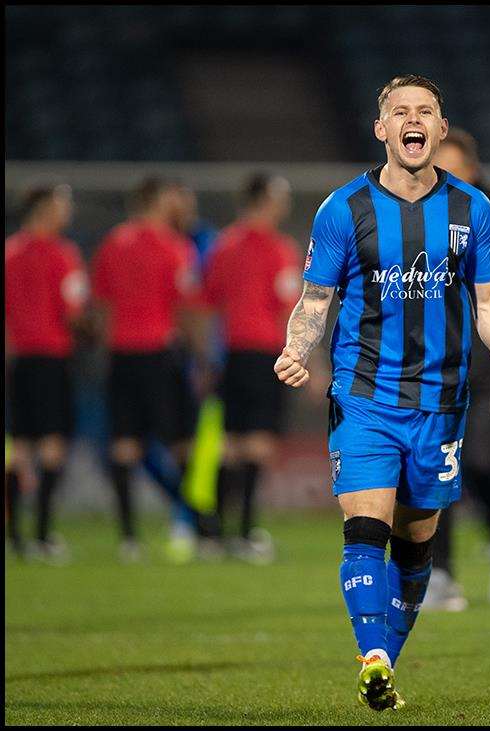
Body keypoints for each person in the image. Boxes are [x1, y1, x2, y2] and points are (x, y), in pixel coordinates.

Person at [273, 75, 490, 711]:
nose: (413, 120)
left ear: (441, 130)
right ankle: (371, 654)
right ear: (382, 129)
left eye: (425, 111)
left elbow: (489, 304)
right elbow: (316, 300)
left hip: (441, 404)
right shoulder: (343, 209)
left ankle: (383, 667)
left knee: (415, 544)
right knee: (365, 527)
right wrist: (296, 348)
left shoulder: (472, 209)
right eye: (400, 111)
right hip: (365, 396)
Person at [424, 128, 490, 610]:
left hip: (487, 360)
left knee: (485, 463)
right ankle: (441, 573)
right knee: (431, 470)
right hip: (434, 360)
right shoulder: (413, 210)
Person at [91, 177, 204, 562]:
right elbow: (185, 307)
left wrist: (108, 348)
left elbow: (101, 305)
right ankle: (188, 523)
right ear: (157, 201)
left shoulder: (112, 243)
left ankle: (128, 539)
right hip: (159, 354)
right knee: (178, 443)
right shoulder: (175, 247)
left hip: (121, 354)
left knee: (124, 445)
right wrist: (200, 357)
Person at [204, 173, 301, 563]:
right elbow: (287, 309)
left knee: (230, 444)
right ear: (264, 200)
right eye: (280, 196)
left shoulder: (223, 245)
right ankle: (244, 532)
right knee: (258, 444)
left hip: (231, 353)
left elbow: (209, 301)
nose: (285, 203)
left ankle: (212, 530)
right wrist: (298, 355)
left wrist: (207, 358)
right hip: (265, 354)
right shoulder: (280, 249)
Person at [4, 184, 88, 563]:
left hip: (19, 360)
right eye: (61, 205)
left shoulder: (10, 253)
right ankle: (41, 533)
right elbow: (73, 311)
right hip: (52, 357)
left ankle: (14, 536)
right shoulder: (63, 255)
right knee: (52, 445)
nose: (66, 212)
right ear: (44, 209)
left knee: (20, 445)